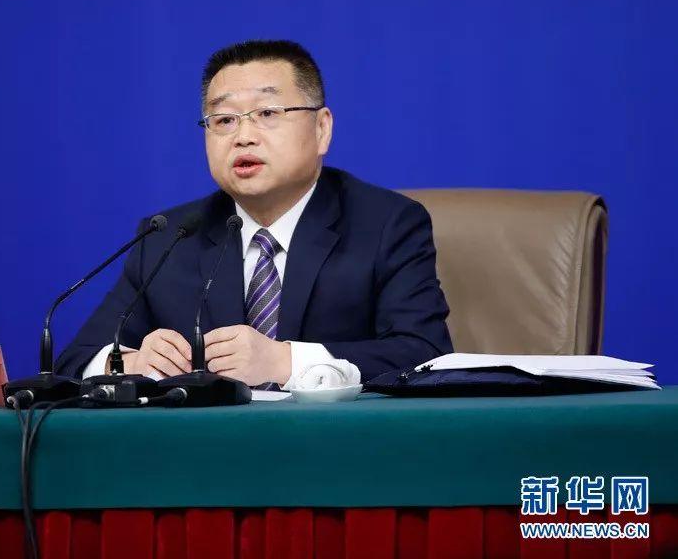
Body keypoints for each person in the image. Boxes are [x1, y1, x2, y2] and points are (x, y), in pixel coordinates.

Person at [55, 40, 452, 388]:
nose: (243, 136)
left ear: (321, 129)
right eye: (224, 120)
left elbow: (426, 354)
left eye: (267, 113)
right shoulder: (169, 237)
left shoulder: (387, 224)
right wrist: (131, 364)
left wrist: (286, 362)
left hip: (336, 442)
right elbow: (75, 361)